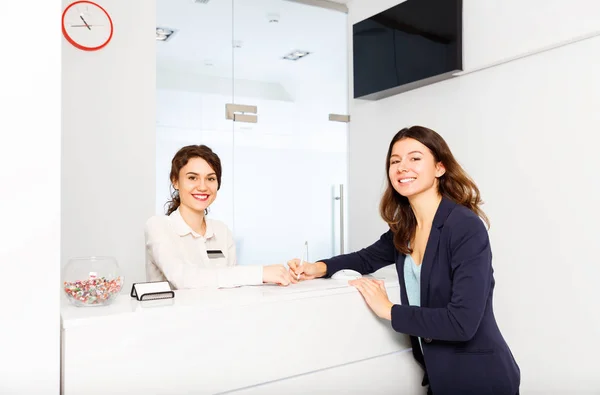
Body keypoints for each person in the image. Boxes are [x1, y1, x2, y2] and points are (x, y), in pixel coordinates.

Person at [288, 126, 520, 395]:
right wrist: (317, 268)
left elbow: (462, 322)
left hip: (482, 380)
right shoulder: (406, 229)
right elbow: (365, 258)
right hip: (441, 378)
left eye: (415, 158)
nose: (402, 167)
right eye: (395, 161)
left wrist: (388, 309)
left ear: (440, 168)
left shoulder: (464, 226)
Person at [145, 144, 295, 289]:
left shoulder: (221, 231)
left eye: (210, 178)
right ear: (175, 181)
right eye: (192, 178)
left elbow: (232, 286)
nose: (203, 187)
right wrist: (260, 273)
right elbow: (184, 279)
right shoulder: (158, 226)